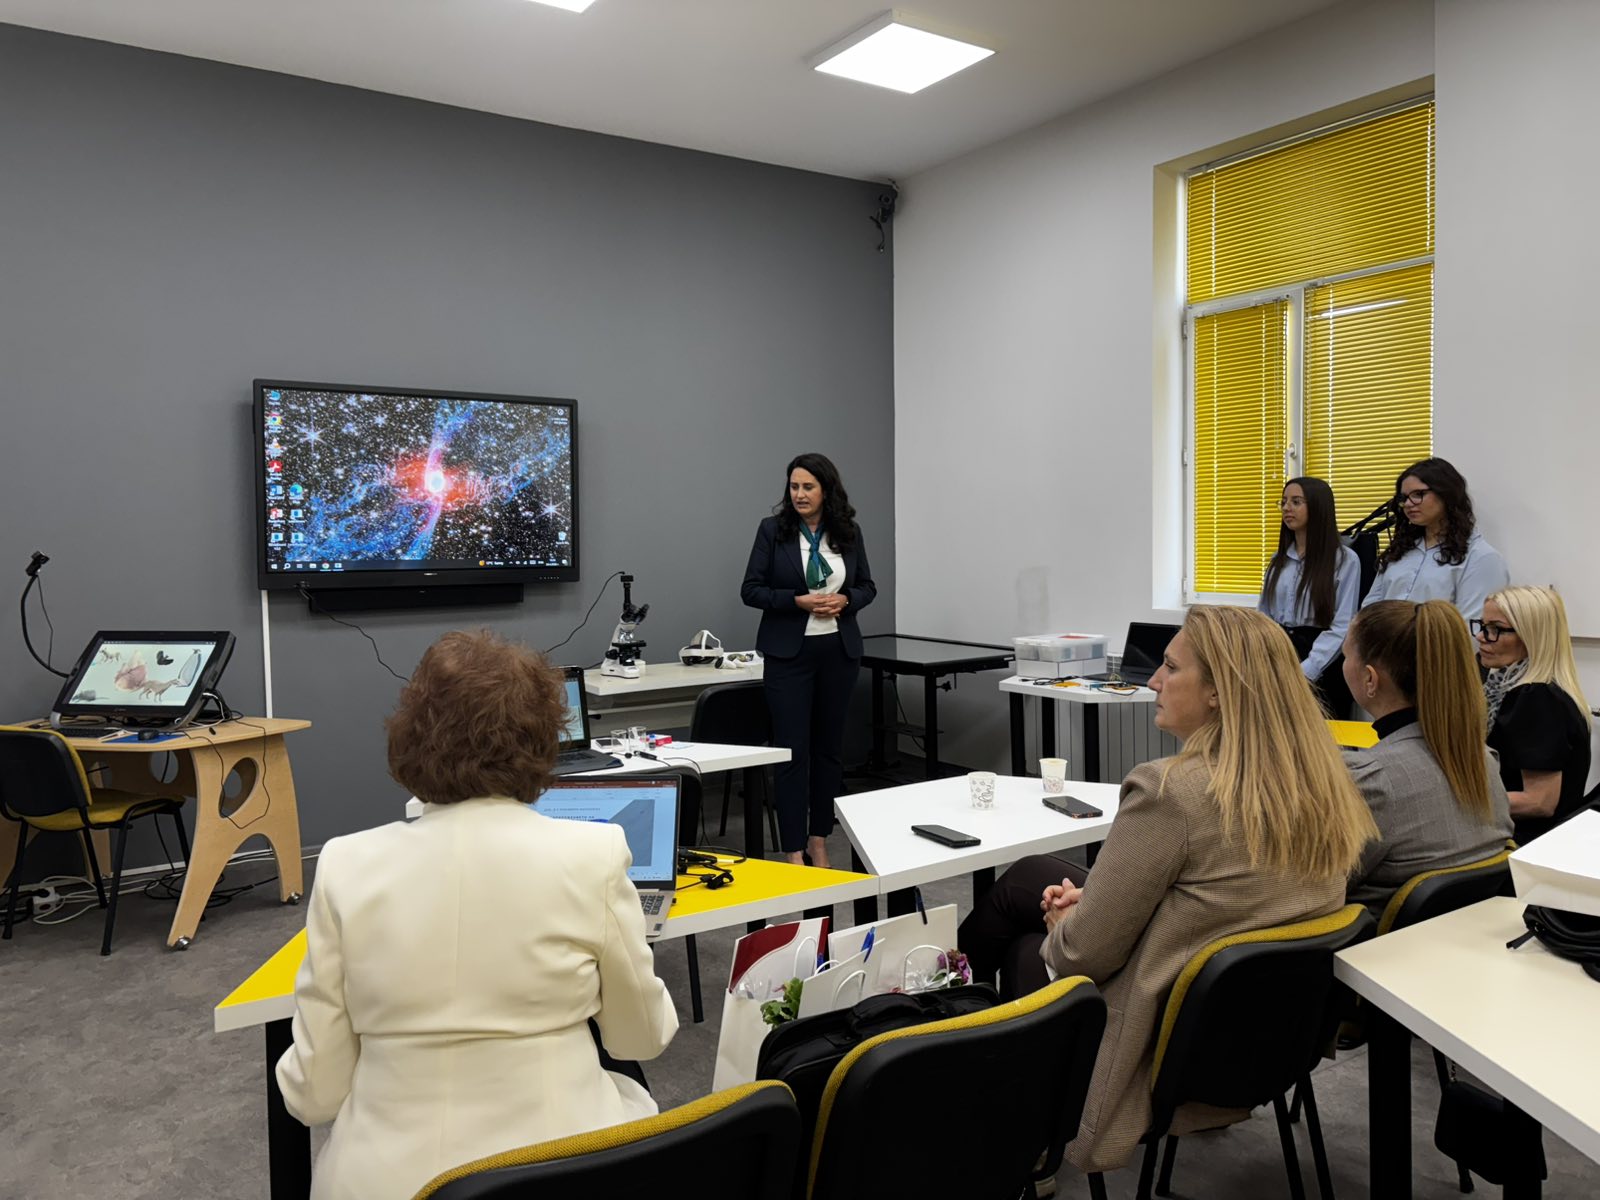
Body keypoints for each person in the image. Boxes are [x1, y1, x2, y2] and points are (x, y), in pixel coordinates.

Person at [956, 606, 1375, 1174]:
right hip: (1260, 1039)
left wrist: (1068, 929)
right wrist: (1095, 909)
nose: (1153, 680)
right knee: (1032, 877)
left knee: (1030, 948)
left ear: (1219, 692)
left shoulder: (1170, 792)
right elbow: (1227, 902)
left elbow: (1083, 956)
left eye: (1171, 668)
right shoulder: (1320, 781)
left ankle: (993, 1102)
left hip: (1161, 1040)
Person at [275, 631, 678, 1200]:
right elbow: (642, 1037)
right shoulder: (595, 854)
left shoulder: (345, 863)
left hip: (383, 1180)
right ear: (543, 741)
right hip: (561, 1168)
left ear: (409, 738)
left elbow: (313, 1094)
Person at [741, 453, 876, 868]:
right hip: (789, 655)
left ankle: (819, 838)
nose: (799, 494)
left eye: (808, 487)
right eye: (794, 487)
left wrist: (847, 599)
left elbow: (867, 586)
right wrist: (795, 601)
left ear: (826, 490)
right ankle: (793, 847)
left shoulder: (848, 531)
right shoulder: (773, 531)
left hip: (838, 652)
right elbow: (751, 590)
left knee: (828, 751)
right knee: (792, 752)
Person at [1341, 600, 1513, 919]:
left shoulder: (1372, 780)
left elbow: (1317, 884)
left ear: (1370, 679)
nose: (1343, 664)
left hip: (1375, 944)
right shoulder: (1483, 760)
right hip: (1459, 934)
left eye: (1345, 655)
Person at [1476, 586, 1593, 845]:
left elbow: (1539, 802)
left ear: (1531, 636)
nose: (1481, 636)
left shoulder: (1536, 698)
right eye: (1482, 625)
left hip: (1522, 844)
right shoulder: (1514, 687)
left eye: (1496, 629)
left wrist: (1458, 804)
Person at [1258, 476, 1359, 712]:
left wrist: (1308, 670)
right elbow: (1263, 616)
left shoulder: (1344, 560)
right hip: (1280, 655)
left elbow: (1342, 626)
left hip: (1323, 664)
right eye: (1283, 501)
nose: (1286, 508)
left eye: (1296, 502)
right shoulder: (1278, 560)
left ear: (1317, 507)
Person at [1362, 457, 1508, 621]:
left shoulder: (1481, 557)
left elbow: (1471, 626)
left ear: (1446, 494)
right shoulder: (1400, 550)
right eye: (1404, 498)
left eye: (1418, 494)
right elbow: (1369, 610)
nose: (1408, 504)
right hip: (1383, 637)